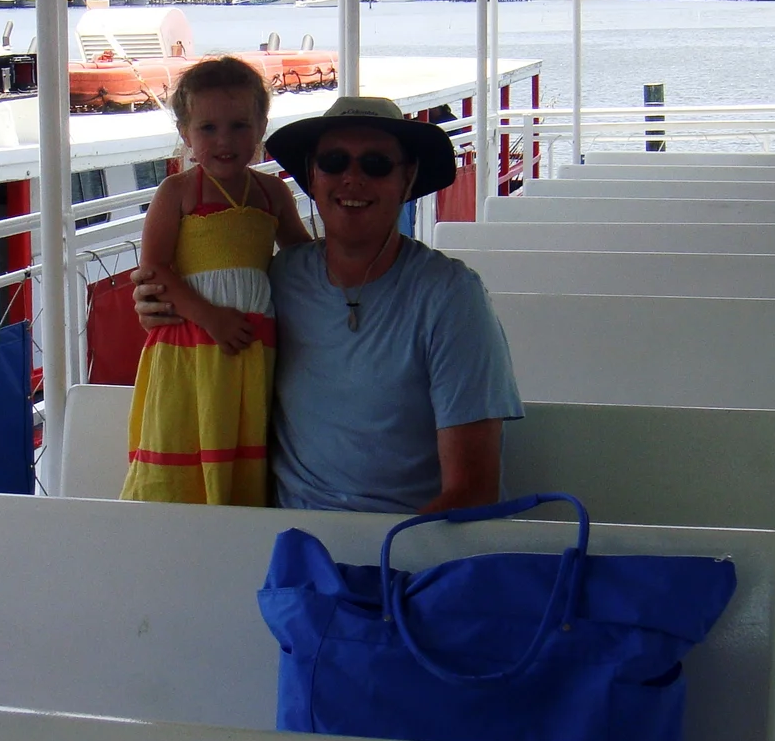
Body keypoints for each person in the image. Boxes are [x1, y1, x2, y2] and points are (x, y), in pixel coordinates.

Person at [136, 96, 522, 513]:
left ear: (407, 178)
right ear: (312, 176)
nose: (352, 178)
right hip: (286, 536)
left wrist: (387, 549)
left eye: (376, 164)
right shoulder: (280, 279)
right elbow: (210, 314)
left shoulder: (452, 297)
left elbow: (473, 491)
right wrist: (158, 308)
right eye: (334, 162)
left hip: (402, 537)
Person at [121, 57, 310, 504]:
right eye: (208, 128)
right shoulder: (177, 191)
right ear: (185, 133)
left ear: (261, 127)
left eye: (240, 126)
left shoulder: (273, 193)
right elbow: (155, 269)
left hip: (253, 344)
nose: (224, 140)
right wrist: (209, 317)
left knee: (241, 433)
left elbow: (302, 257)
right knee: (185, 428)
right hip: (190, 342)